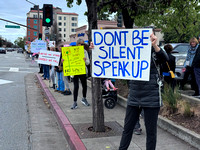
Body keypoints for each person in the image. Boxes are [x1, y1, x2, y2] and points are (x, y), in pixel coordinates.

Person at [119, 33, 169, 150]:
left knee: (151, 132)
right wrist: (96, 50)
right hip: (134, 95)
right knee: (127, 129)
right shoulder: (129, 50)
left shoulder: (154, 51)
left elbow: (165, 58)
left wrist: (155, 46)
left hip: (151, 96)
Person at [71, 39, 90, 109]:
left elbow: (88, 62)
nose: (83, 45)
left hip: (82, 70)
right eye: (81, 44)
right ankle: (75, 102)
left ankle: (84, 98)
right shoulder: (72, 51)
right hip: (75, 71)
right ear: (78, 44)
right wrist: (63, 61)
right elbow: (68, 60)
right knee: (76, 87)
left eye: (83, 44)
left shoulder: (85, 52)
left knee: (84, 85)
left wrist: (85, 60)